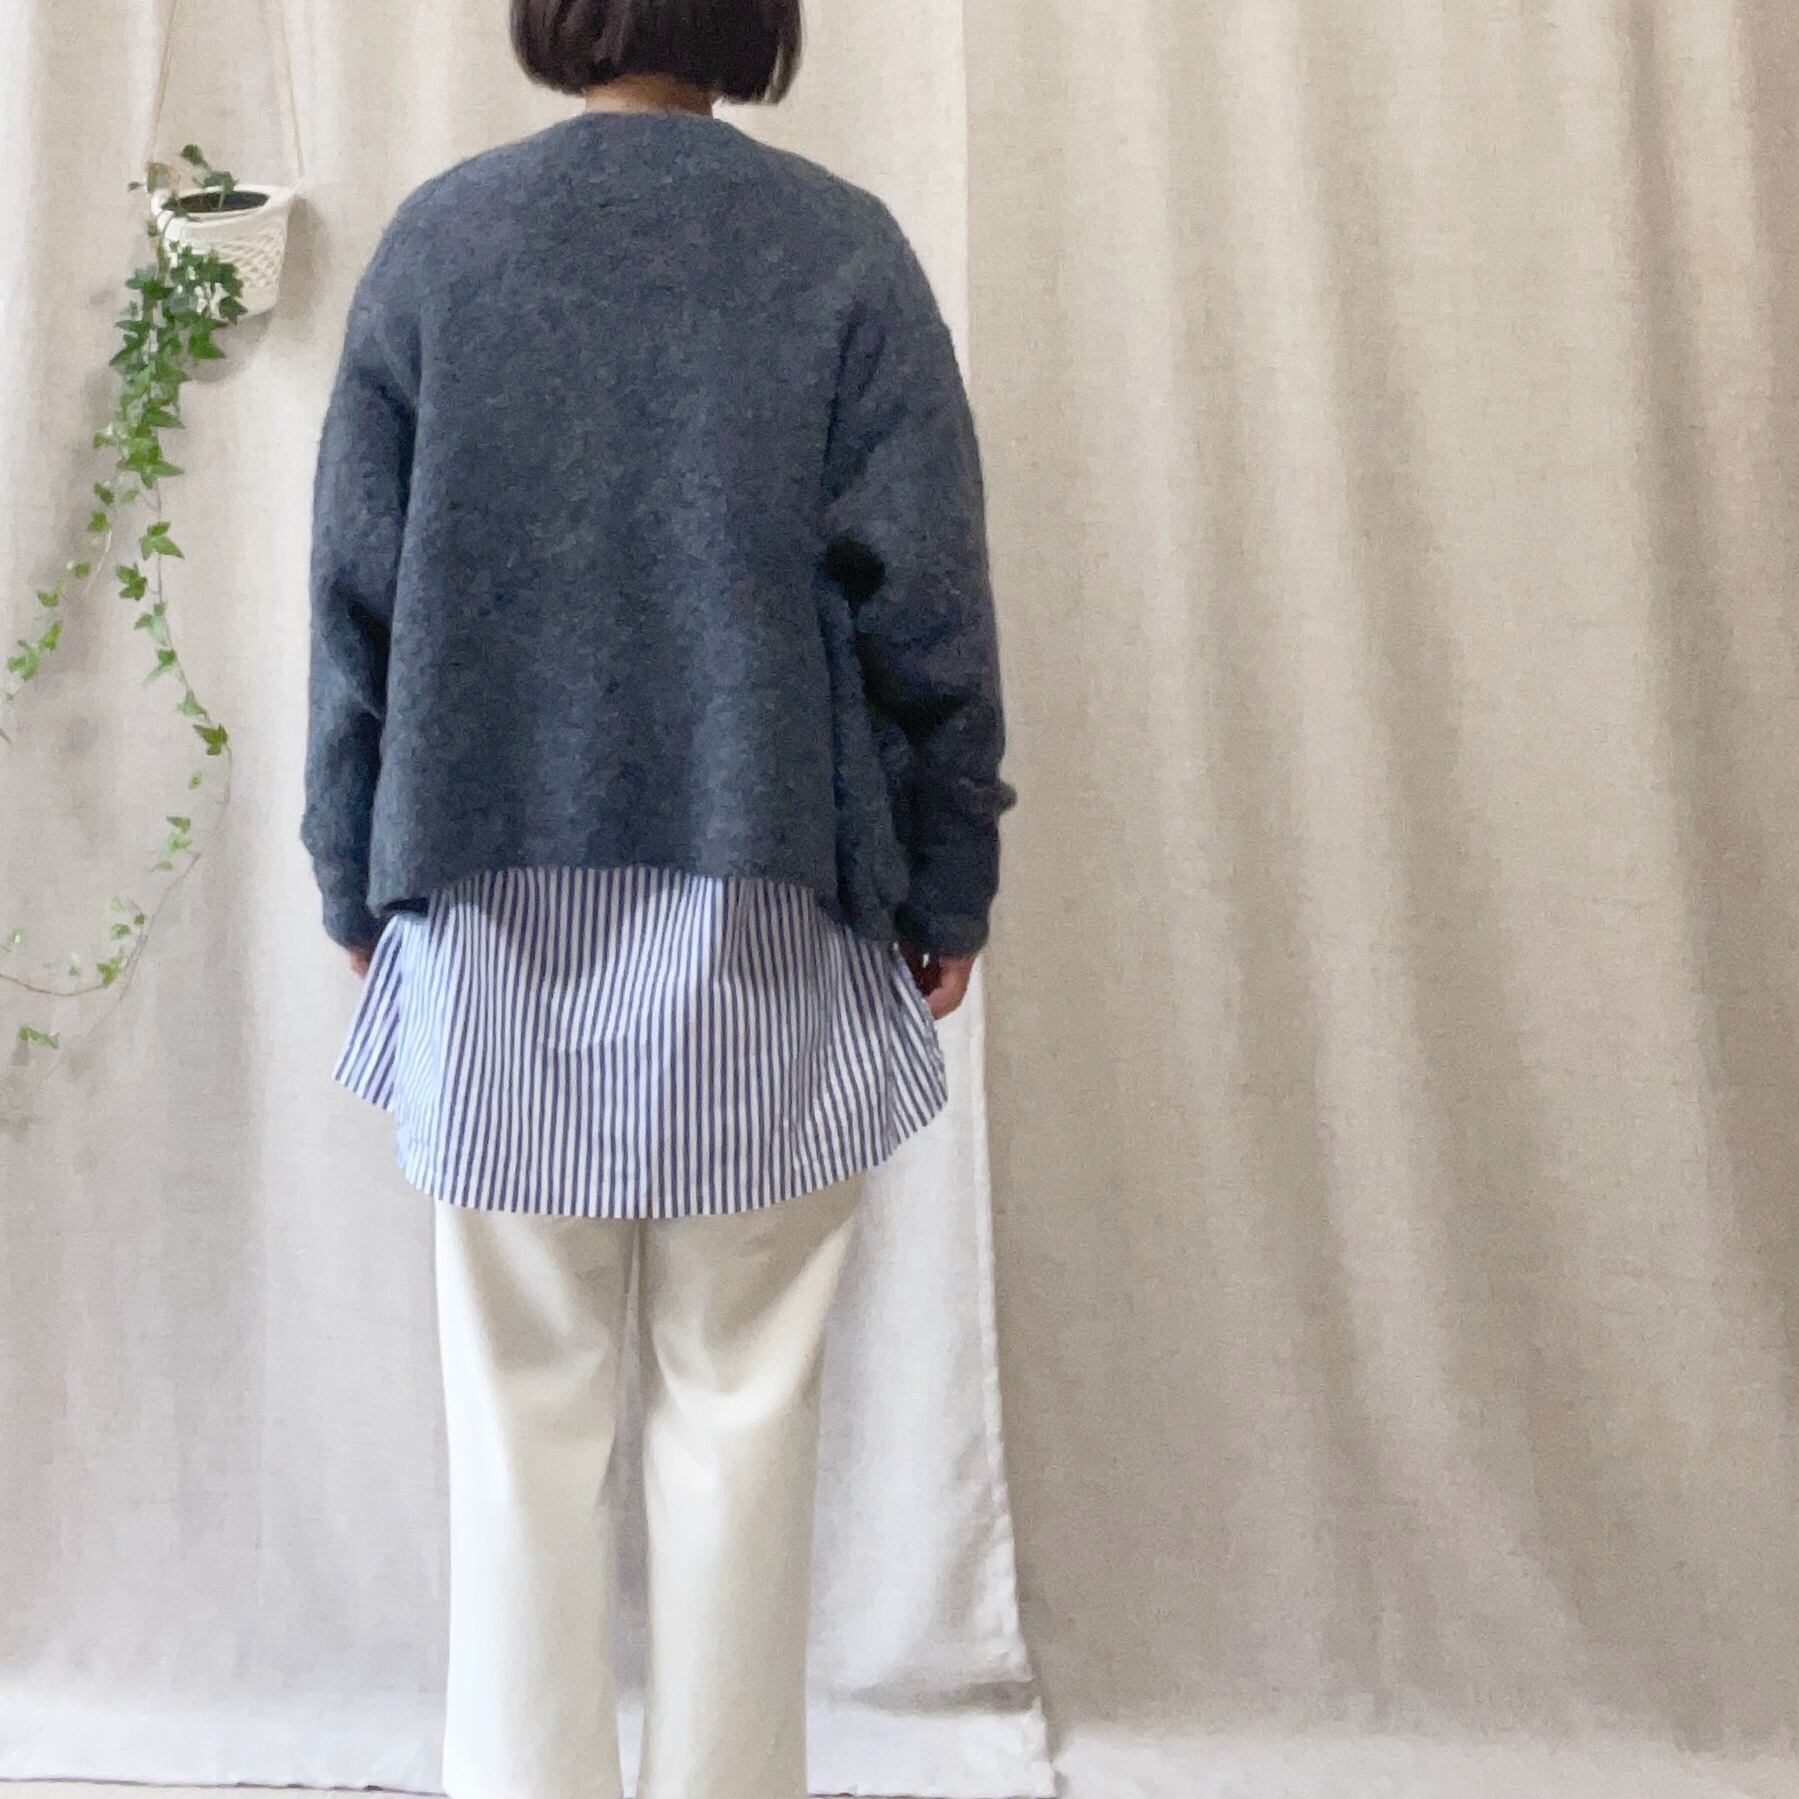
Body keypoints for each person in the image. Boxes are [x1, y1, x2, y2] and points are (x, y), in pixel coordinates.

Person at [300, 1, 1014, 1796]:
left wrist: (349, 862)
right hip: (760, 901)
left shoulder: (445, 243)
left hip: (488, 901)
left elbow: (353, 604)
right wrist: (949, 866)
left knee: (517, 1430)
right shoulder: (839, 249)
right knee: (742, 1420)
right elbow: (929, 605)